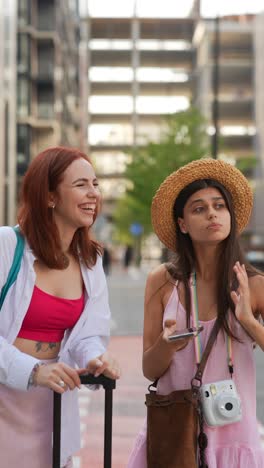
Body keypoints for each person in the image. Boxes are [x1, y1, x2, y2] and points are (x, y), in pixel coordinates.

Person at [127, 158, 264, 468]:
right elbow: (150, 369)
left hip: (234, 442)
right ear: (183, 224)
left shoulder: (253, 284)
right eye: (198, 208)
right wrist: (166, 344)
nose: (212, 213)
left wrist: (246, 320)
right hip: (174, 434)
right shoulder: (162, 280)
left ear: (230, 216)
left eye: (219, 206)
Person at [0, 146, 120, 468]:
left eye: (95, 183)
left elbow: (88, 334)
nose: (93, 193)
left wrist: (94, 357)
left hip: (50, 403)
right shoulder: (6, 246)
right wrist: (35, 371)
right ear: (50, 196)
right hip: (6, 397)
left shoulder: (90, 261)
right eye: (81, 184)